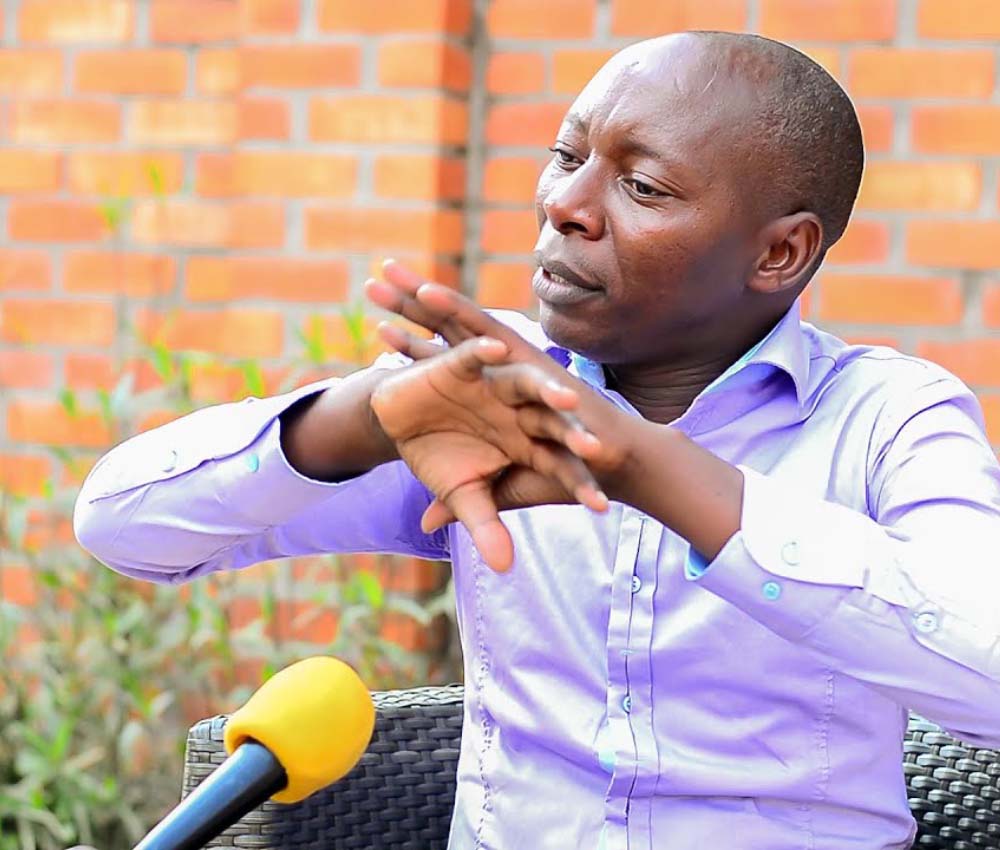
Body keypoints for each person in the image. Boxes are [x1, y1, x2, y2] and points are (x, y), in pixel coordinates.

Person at [73, 31, 1000, 850]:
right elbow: (122, 527)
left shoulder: (890, 417)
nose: (567, 205)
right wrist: (359, 420)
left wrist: (648, 468)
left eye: (641, 186)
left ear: (778, 253)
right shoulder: (484, 392)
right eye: (566, 156)